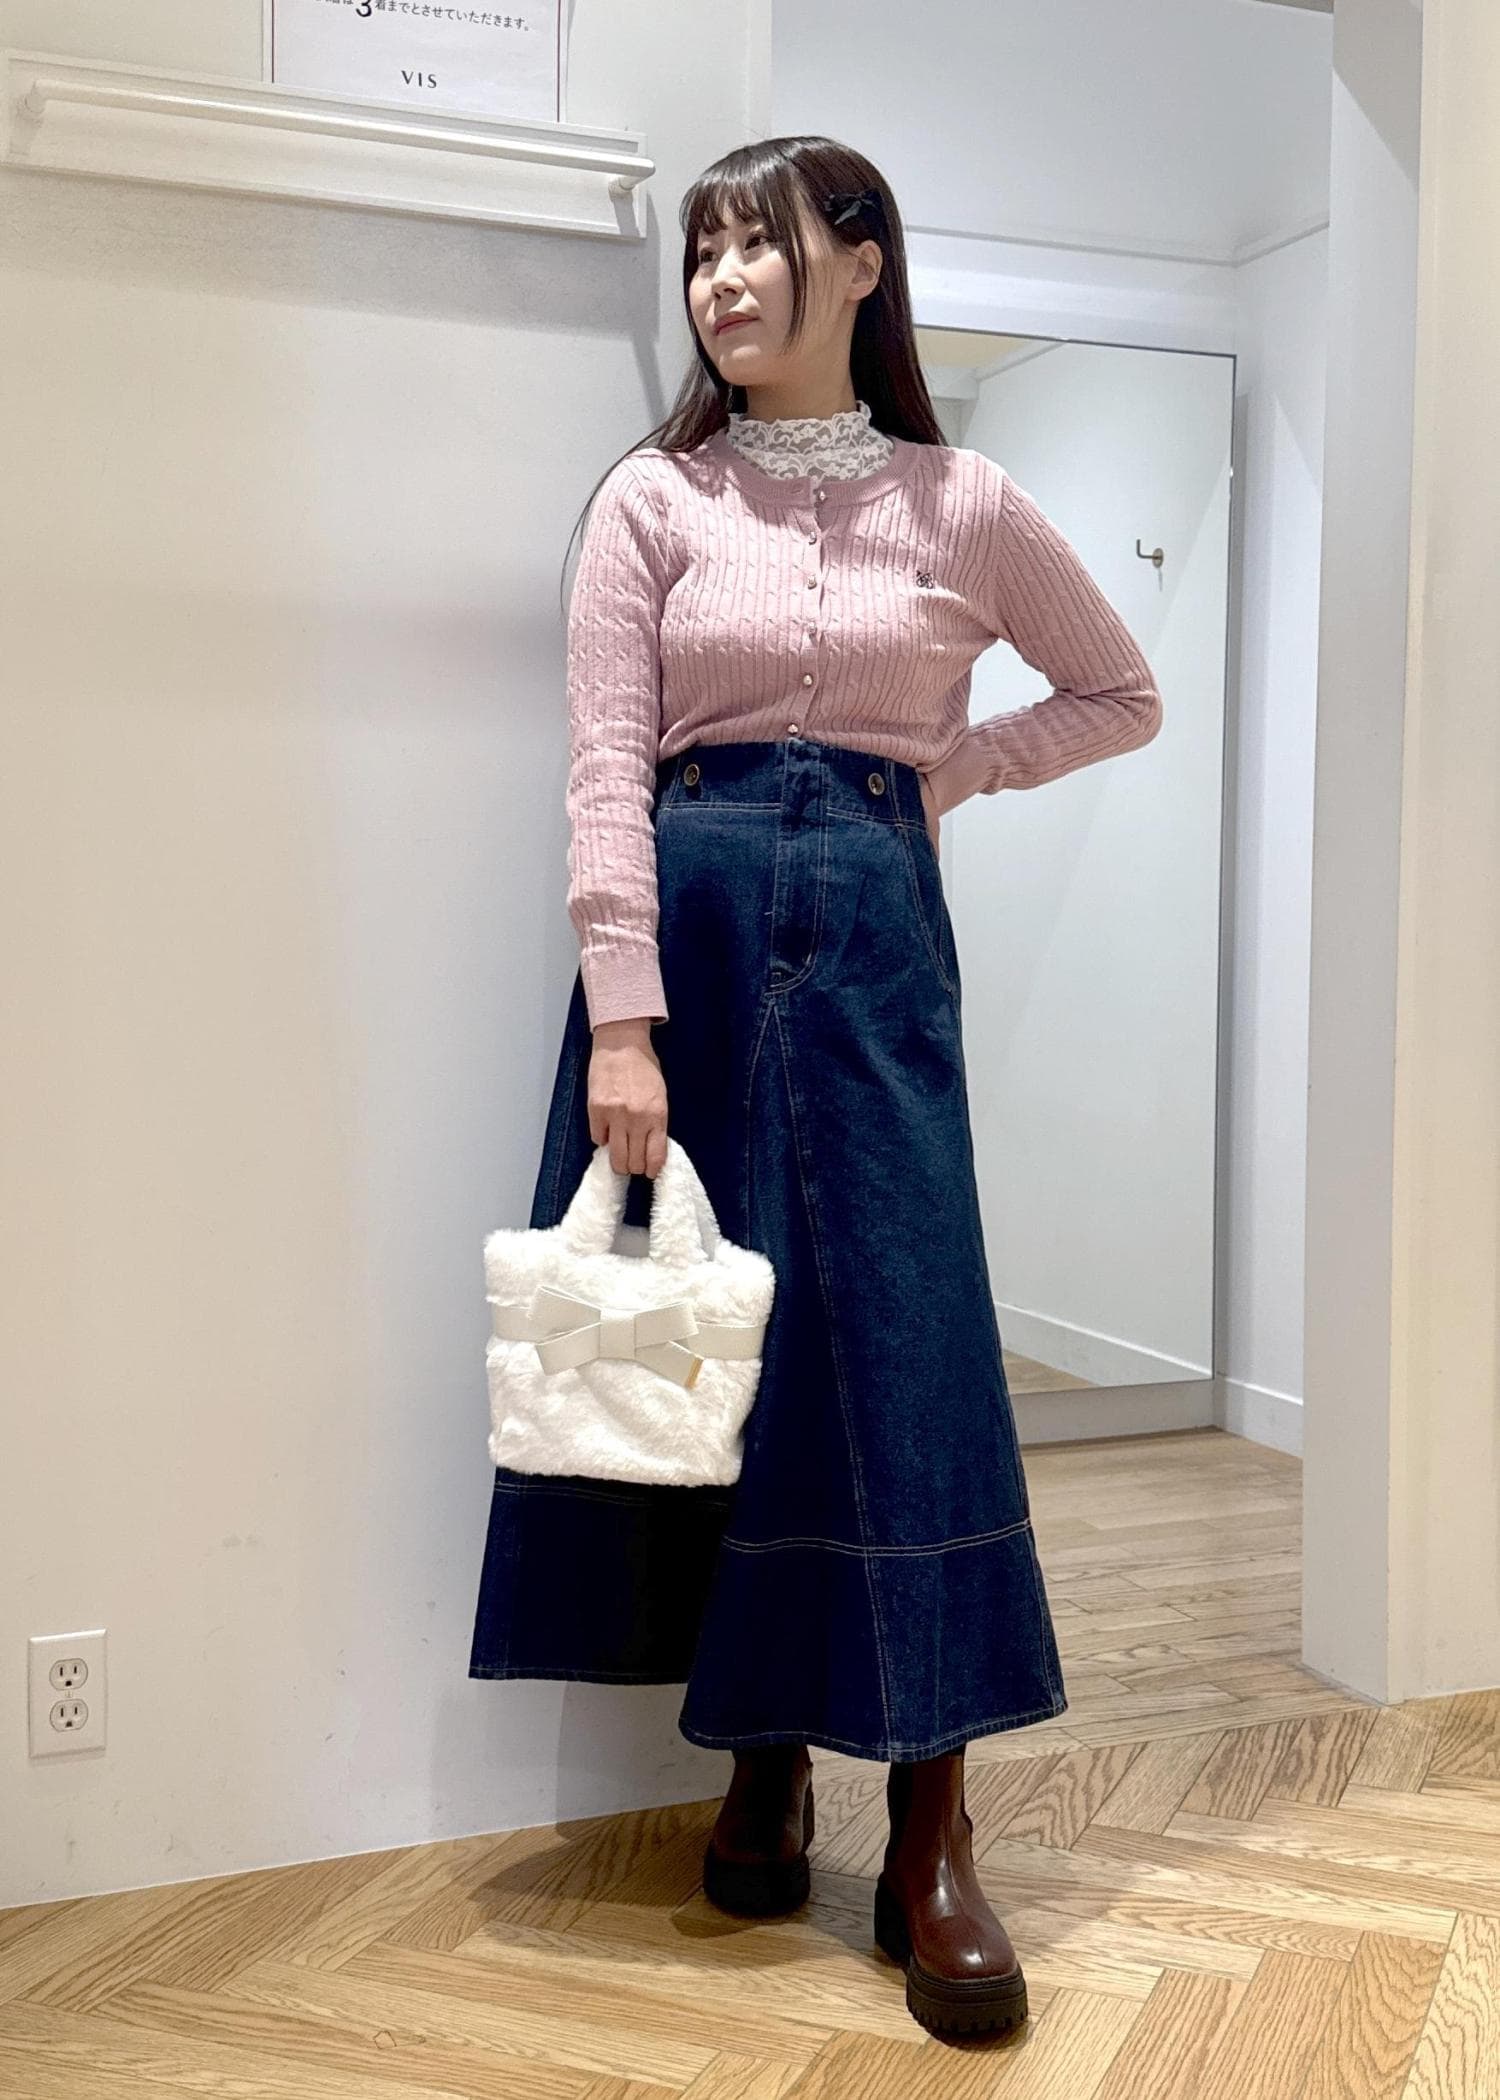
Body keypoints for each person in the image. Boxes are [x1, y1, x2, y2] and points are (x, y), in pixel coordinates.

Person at [469, 134, 1163, 2040]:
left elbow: (1120, 691)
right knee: (721, 1350)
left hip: (873, 950)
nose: (720, 280)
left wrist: (950, 774)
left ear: (858, 264)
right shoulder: (652, 499)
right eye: (700, 251)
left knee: (900, 1359)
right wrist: (625, 1017)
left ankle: (932, 1823)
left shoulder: (965, 500)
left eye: (754, 244)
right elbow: (604, 763)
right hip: (683, 956)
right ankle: (763, 1765)